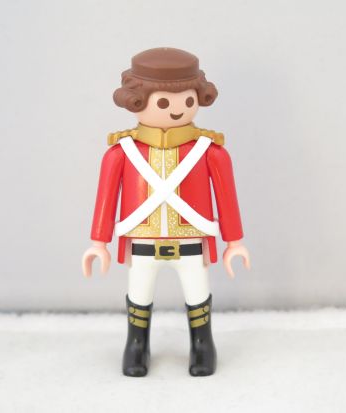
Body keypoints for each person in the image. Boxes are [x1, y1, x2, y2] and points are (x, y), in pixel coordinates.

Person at [82, 47, 250, 377]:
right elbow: (106, 198)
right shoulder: (121, 152)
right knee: (139, 296)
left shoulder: (211, 151)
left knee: (198, 295)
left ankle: (202, 344)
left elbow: (227, 199)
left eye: (188, 100)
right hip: (142, 242)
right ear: (136, 101)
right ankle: (136, 344)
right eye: (163, 103)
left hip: (191, 242)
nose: (177, 110)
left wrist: (235, 242)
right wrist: (98, 243)